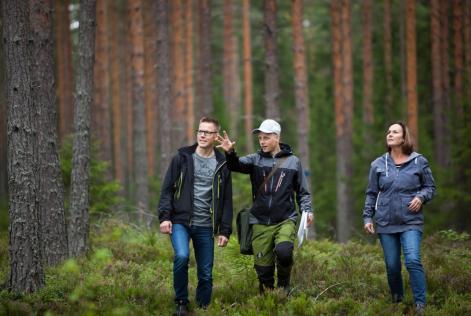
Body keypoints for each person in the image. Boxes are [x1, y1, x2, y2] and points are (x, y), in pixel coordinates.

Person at [216, 118, 313, 294]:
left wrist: (307, 210)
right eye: (260, 138)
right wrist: (230, 152)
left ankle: (284, 285)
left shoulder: (293, 161)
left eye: (266, 138)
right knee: (264, 273)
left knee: (284, 252)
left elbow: (303, 191)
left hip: (285, 219)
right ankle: (269, 298)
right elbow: (235, 165)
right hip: (260, 221)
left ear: (277, 137)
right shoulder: (255, 159)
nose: (262, 142)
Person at [158, 117, 233, 316]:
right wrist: (165, 217)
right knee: (182, 256)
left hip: (206, 225)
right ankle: (181, 303)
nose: (202, 135)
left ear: (215, 136)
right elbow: (167, 189)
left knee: (206, 273)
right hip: (180, 221)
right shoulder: (182, 158)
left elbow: (226, 199)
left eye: (207, 132)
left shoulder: (222, 163)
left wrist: (224, 230)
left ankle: (202, 309)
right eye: (200, 131)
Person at [362, 122, 436, 314]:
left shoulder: (419, 161)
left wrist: (421, 197)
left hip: (411, 221)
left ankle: (420, 305)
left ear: (404, 138)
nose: (390, 134)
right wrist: (368, 218)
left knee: (412, 260)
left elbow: (430, 187)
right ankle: (397, 302)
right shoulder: (377, 164)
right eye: (388, 132)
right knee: (392, 266)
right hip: (385, 222)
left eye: (395, 132)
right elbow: (371, 193)